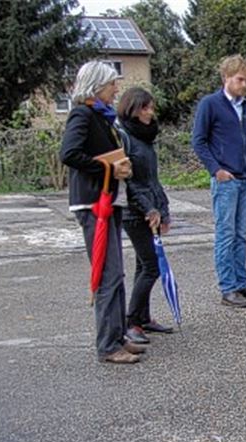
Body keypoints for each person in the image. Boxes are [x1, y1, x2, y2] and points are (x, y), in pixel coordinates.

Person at [59, 61, 141, 364]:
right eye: (110, 85)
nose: (115, 89)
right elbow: (69, 154)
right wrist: (108, 166)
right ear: (95, 87)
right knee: (107, 275)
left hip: (108, 200)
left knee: (116, 273)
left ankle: (117, 336)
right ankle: (108, 345)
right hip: (94, 204)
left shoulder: (101, 117)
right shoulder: (82, 114)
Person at [192, 54, 246, 308]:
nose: (244, 85)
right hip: (226, 178)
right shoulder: (210, 104)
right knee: (225, 233)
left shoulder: (245, 106)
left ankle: (241, 281)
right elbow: (199, 141)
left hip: (245, 176)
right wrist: (216, 170)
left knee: (240, 234)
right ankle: (228, 286)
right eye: (240, 80)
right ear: (226, 78)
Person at [117, 87, 174, 346]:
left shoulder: (145, 138)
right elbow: (131, 184)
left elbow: (152, 180)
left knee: (144, 265)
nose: (150, 113)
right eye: (145, 108)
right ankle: (132, 322)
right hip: (133, 212)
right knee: (151, 267)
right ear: (133, 109)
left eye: (151, 107)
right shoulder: (124, 137)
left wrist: (163, 211)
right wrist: (148, 210)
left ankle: (144, 316)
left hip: (150, 208)